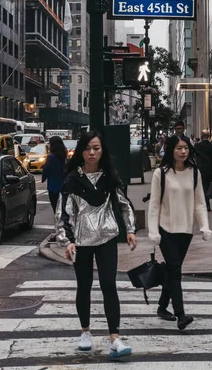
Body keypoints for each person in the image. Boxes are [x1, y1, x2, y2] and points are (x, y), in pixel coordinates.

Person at [56, 131, 137, 358]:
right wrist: (67, 241)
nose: (92, 152)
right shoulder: (72, 179)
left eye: (97, 148)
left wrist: (130, 229)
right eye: (88, 148)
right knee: (84, 285)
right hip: (81, 242)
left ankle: (115, 338)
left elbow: (124, 204)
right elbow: (63, 213)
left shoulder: (109, 177)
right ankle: (85, 332)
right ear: (81, 151)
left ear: (103, 151)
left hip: (106, 239)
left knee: (108, 284)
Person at [148, 134, 212, 330]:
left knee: (170, 270)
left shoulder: (194, 173)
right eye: (178, 148)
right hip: (166, 229)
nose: (183, 151)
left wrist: (204, 226)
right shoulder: (161, 173)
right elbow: (154, 205)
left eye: (186, 148)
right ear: (170, 150)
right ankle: (181, 314)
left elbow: (200, 202)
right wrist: (153, 232)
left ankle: (161, 306)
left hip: (186, 230)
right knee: (175, 272)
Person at [42, 136, 67, 216]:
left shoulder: (51, 157)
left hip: (53, 188)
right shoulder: (64, 156)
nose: (48, 145)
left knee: (56, 210)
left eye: (49, 143)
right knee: (63, 209)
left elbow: (46, 170)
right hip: (64, 187)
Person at [195, 130, 212, 211]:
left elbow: (195, 157)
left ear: (201, 136)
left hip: (200, 168)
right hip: (210, 169)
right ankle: (207, 202)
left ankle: (205, 203)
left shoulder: (197, 145)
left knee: (202, 186)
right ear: (208, 136)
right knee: (208, 186)